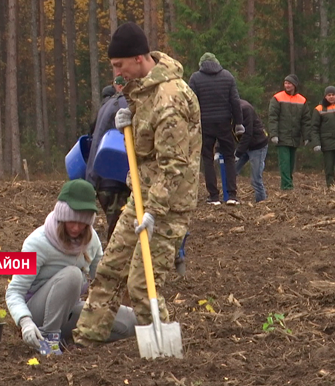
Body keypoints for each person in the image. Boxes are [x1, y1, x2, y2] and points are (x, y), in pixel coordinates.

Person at [73, 22, 201, 343]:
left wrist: (154, 212)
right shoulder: (143, 89)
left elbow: (173, 166)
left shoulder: (169, 99)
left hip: (167, 205)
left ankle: (159, 349)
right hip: (141, 197)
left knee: (142, 286)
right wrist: (128, 112)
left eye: (120, 66)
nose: (117, 73)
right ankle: (88, 337)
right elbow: (146, 149)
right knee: (109, 270)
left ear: (140, 59)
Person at [6, 179, 138, 355]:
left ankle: (69, 340)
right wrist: (25, 322)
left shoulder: (91, 241)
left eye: (82, 222)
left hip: (68, 311)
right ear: (61, 216)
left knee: (130, 322)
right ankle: (49, 339)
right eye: (71, 221)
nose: (76, 228)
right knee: (72, 275)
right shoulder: (37, 243)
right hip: (38, 315)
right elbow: (14, 292)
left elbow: (103, 279)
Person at [189, 52, 243, 205]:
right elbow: (235, 101)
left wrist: (191, 124)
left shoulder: (195, 78)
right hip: (224, 122)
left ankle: (213, 196)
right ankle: (232, 195)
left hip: (204, 123)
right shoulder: (227, 76)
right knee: (229, 157)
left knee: (207, 158)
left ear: (201, 64)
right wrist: (238, 123)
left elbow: (190, 103)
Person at [86, 76, 132, 242]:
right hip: (116, 182)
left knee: (120, 232)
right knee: (120, 237)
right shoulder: (124, 105)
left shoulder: (108, 105)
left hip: (101, 180)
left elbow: (91, 137)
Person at [267, 74, 311, 190]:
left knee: (291, 164)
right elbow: (273, 117)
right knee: (285, 163)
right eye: (286, 83)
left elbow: (306, 120)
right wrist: (274, 134)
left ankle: (288, 184)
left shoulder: (302, 100)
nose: (287, 85)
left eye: (289, 83)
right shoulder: (277, 98)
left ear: (295, 85)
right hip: (282, 137)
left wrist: (307, 136)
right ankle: (287, 186)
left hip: (295, 137)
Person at [235, 99, 268, 202]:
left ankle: (261, 201)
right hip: (244, 146)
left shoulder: (245, 109)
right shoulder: (228, 111)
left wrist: (238, 153)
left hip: (257, 145)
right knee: (231, 171)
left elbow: (247, 134)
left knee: (256, 179)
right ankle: (230, 197)